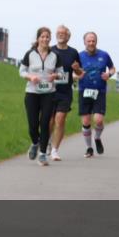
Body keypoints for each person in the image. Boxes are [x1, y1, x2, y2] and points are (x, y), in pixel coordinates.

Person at [20, 27, 63, 166]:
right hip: (32, 93)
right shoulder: (30, 54)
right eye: (42, 37)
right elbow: (21, 71)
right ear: (38, 38)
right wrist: (30, 76)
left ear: (50, 39)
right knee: (33, 125)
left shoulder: (55, 55)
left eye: (47, 37)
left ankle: (43, 154)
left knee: (45, 124)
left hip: (49, 94)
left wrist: (55, 76)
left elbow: (62, 74)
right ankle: (34, 143)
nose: (45, 39)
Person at [77, 32, 115, 158]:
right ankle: (89, 148)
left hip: (100, 91)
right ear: (84, 42)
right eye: (89, 41)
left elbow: (112, 68)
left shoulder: (104, 55)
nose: (91, 43)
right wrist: (77, 75)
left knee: (98, 120)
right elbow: (74, 72)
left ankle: (97, 138)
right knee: (86, 121)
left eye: (93, 41)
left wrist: (109, 74)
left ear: (96, 42)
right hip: (84, 91)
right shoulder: (79, 56)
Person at [48, 25, 83, 161]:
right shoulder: (50, 50)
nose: (60, 35)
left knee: (60, 120)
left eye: (63, 33)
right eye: (58, 33)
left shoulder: (73, 52)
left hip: (65, 92)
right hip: (50, 91)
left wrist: (77, 69)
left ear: (68, 36)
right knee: (49, 121)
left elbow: (80, 73)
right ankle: (47, 144)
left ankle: (55, 150)